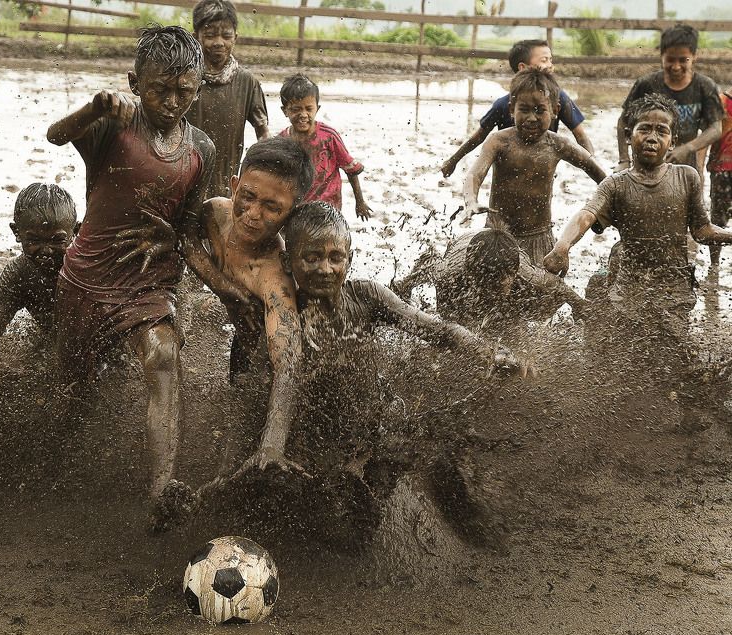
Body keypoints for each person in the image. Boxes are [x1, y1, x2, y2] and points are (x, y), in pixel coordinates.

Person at [46, 26, 215, 529]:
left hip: (148, 284)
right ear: (134, 81)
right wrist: (94, 108)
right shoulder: (112, 127)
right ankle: (53, 461)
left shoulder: (199, 149)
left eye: (184, 91)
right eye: (160, 88)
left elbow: (190, 224)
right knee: (71, 387)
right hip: (85, 280)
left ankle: (162, 489)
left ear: (198, 89)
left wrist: (170, 245)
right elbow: (55, 136)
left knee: (163, 359)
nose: (171, 101)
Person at [283, 203, 531, 488]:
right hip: (315, 429)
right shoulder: (282, 314)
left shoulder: (365, 296)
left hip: (375, 417)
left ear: (349, 260)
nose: (325, 269)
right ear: (288, 261)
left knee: (436, 437)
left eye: (334, 257)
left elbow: (437, 329)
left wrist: (487, 352)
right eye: (312, 258)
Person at [544, 94, 732, 433]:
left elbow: (702, 230)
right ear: (630, 134)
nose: (653, 137)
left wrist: (730, 236)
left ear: (673, 140)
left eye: (662, 131)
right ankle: (616, 418)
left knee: (679, 352)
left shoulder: (687, 177)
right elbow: (586, 215)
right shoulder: (616, 184)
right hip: (630, 285)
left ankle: (691, 415)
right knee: (625, 354)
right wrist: (562, 245)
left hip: (674, 284)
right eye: (645, 129)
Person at [188, 136, 313, 476]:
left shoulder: (274, 276)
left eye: (273, 208)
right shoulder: (215, 213)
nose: (253, 215)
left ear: (291, 215)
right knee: (231, 433)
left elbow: (288, 364)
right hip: (244, 346)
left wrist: (273, 446)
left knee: (251, 444)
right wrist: (222, 286)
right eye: (248, 197)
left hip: (271, 360)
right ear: (234, 186)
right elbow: (181, 236)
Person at [463, 69, 606, 265]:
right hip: (498, 234)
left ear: (555, 111)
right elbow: (474, 174)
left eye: (540, 110)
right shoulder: (498, 141)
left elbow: (597, 171)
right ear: (511, 108)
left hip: (539, 237)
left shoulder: (558, 144)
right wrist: (471, 200)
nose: (531, 118)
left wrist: (608, 205)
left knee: (541, 290)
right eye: (524, 109)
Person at [442, 39, 594, 177]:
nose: (550, 65)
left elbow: (580, 136)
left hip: (542, 168)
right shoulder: (503, 104)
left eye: (550, 60)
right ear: (522, 67)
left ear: (554, 109)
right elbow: (479, 137)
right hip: (508, 171)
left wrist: (592, 166)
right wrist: (453, 160)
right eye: (544, 60)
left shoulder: (559, 99)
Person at [392, 228, 587, 335]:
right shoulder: (449, 274)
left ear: (513, 275)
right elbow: (423, 267)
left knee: (510, 326)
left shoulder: (526, 273)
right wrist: (403, 291)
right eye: (487, 285)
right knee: (450, 326)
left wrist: (582, 308)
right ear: (473, 276)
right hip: (463, 249)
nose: (491, 291)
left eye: (498, 286)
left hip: (504, 253)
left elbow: (560, 287)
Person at [0, 183, 76, 364]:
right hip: (54, 346)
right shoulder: (18, 275)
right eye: (33, 240)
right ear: (17, 232)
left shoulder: (87, 269)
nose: (46, 251)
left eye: (57, 241)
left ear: (75, 233)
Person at [185, 0, 269, 199]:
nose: (218, 42)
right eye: (210, 35)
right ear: (196, 36)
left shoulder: (247, 83)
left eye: (226, 35)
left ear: (235, 38)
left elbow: (263, 134)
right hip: (184, 183)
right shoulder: (184, 78)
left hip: (226, 186)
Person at [617, 25, 723, 175]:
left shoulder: (704, 87)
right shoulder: (647, 84)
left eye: (683, 60)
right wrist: (624, 160)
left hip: (685, 164)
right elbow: (623, 122)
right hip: (646, 165)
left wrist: (687, 148)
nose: (676, 66)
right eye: (670, 60)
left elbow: (715, 129)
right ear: (662, 57)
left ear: (694, 57)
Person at [278, 74, 372, 221]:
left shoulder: (329, 136)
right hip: (296, 210)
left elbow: (350, 170)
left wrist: (359, 201)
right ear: (285, 111)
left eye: (309, 109)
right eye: (296, 109)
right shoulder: (283, 141)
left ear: (317, 108)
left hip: (328, 208)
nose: (303, 115)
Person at [705, 82, 732, 272]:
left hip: (721, 168)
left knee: (718, 217)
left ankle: (714, 266)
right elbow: (707, 136)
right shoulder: (721, 102)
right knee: (717, 219)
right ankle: (714, 266)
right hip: (722, 168)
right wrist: (699, 166)